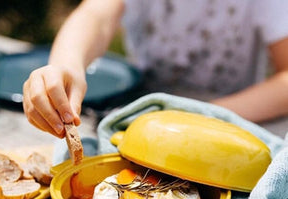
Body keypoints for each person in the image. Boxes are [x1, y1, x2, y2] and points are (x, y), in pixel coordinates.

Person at [23, 0, 288, 138]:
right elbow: (96, 15)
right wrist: (65, 64)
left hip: (232, 116)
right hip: (142, 108)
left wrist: (202, 113)